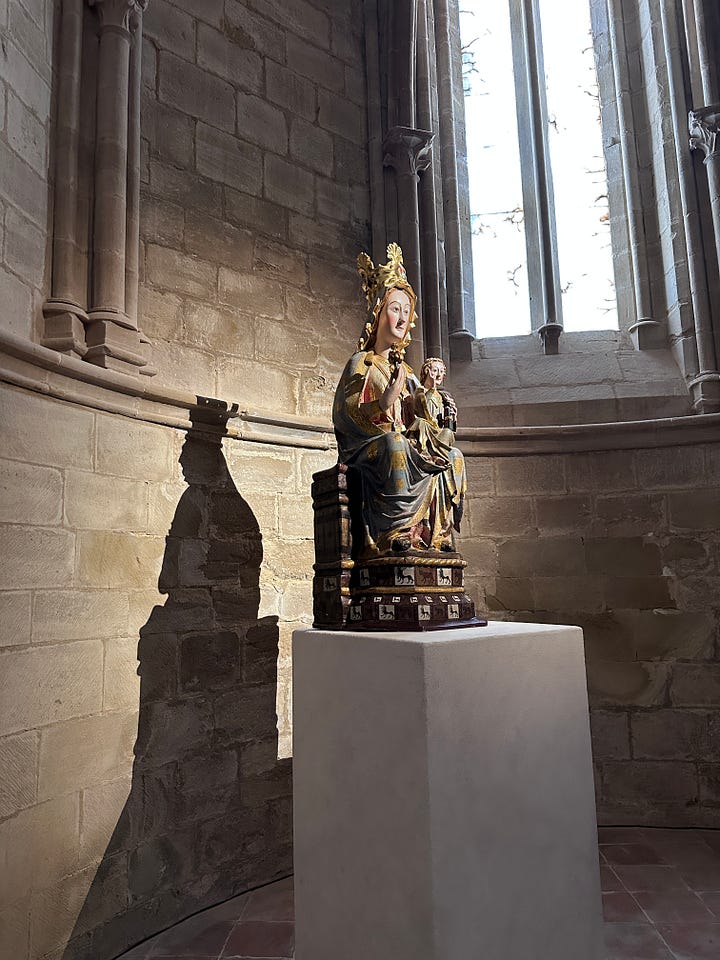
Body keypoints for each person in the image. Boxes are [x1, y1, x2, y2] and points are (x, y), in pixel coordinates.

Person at [332, 243, 466, 555]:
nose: (402, 318)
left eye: (407, 311)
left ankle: (437, 536)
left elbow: (422, 420)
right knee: (395, 444)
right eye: (395, 309)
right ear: (378, 314)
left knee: (453, 456)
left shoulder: (409, 373)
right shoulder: (361, 363)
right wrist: (382, 402)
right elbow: (344, 412)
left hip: (407, 443)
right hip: (368, 446)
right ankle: (395, 533)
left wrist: (441, 412)